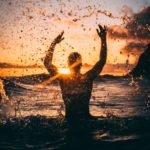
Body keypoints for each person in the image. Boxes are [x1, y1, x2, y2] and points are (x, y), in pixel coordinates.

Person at [44, 25, 107, 122]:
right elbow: (102, 61)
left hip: (69, 121)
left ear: (68, 64)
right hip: (87, 120)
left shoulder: (63, 79)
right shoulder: (87, 78)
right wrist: (103, 39)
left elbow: (47, 63)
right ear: (81, 64)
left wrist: (54, 44)